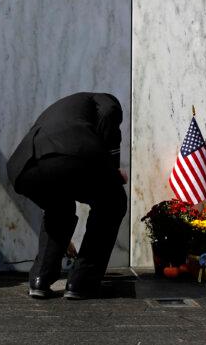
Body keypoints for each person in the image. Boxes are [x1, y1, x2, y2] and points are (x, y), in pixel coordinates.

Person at [7, 92, 127, 300]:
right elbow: (109, 112)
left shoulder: (65, 107)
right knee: (113, 202)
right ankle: (83, 282)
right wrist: (113, 168)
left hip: (24, 168)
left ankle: (40, 279)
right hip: (70, 154)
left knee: (59, 209)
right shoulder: (104, 99)